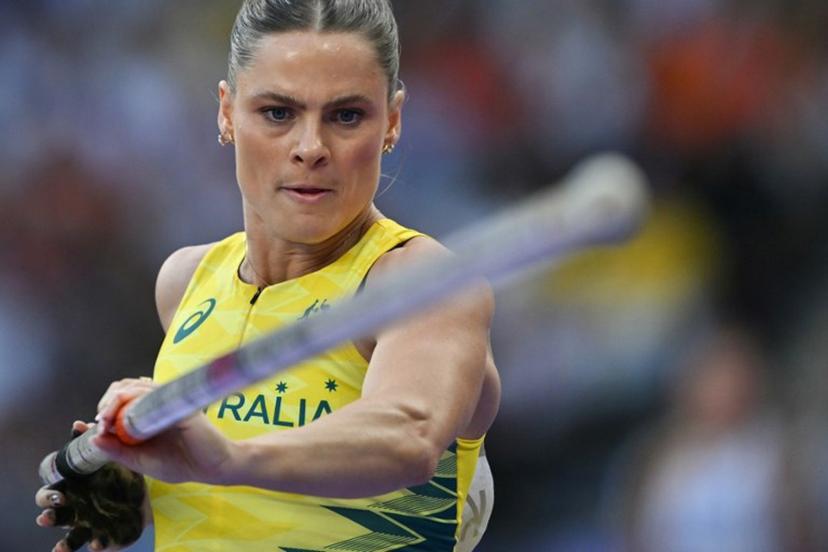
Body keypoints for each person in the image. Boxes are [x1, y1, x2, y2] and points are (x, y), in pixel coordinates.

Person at [34, 1, 500, 551]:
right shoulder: (185, 282)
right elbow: (249, 500)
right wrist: (139, 489)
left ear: (392, 121)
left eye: (347, 116)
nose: (311, 149)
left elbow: (409, 437)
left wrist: (231, 459)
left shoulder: (418, 281)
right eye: (278, 113)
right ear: (227, 113)